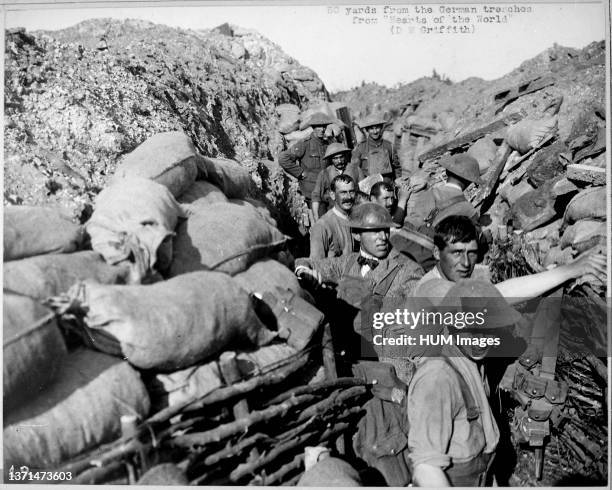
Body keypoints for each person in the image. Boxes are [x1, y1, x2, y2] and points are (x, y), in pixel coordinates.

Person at [374, 280, 524, 487]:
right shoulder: (438, 377)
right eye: (472, 329)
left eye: (489, 329)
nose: (481, 339)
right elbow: (427, 470)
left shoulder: (472, 361)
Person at [416, 215, 607, 304]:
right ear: (436, 253)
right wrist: (570, 270)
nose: (466, 263)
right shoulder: (432, 290)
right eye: (456, 253)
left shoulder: (449, 280)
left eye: (472, 252)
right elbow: (497, 295)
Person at [405, 153, 482, 234]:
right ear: (470, 182)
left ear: (446, 172)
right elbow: (474, 237)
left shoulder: (428, 194)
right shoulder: (468, 209)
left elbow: (411, 222)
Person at [278, 112, 335, 207]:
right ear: (313, 127)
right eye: (318, 127)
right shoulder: (304, 144)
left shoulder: (327, 144)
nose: (322, 129)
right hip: (311, 191)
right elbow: (283, 158)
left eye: (324, 126)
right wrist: (300, 173)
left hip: (327, 190)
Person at [309, 174, 356, 259]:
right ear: (332, 195)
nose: (349, 197)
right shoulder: (322, 226)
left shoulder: (357, 220)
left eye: (351, 192)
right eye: (343, 192)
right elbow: (317, 264)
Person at [311, 142, 362, 219]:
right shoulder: (325, 173)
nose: (339, 161)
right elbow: (316, 195)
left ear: (345, 156)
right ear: (331, 159)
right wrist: (316, 216)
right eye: (335, 158)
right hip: (334, 213)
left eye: (341, 157)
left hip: (354, 211)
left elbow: (365, 190)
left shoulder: (355, 170)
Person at [351, 116, 401, 181]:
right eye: (371, 129)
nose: (375, 132)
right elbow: (355, 170)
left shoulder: (389, 146)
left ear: (381, 128)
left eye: (377, 128)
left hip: (387, 185)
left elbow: (396, 168)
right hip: (369, 186)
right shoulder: (360, 148)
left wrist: (398, 182)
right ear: (367, 130)